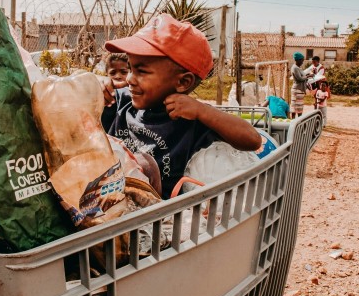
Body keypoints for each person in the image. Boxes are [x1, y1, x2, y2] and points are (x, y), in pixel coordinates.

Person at [100, 14, 262, 199]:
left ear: (183, 82)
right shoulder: (120, 102)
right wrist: (96, 89)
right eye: (130, 68)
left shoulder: (192, 120)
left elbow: (253, 140)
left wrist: (203, 111)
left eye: (141, 71)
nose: (129, 79)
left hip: (157, 219)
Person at [290, 52, 309, 119]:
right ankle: (294, 121)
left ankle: (298, 121)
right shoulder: (295, 68)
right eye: (302, 60)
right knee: (294, 107)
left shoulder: (298, 68)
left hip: (300, 90)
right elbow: (299, 78)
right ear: (297, 60)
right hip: (297, 90)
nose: (302, 62)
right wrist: (307, 76)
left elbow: (303, 77)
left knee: (299, 107)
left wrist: (306, 76)